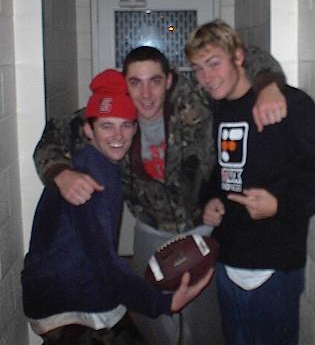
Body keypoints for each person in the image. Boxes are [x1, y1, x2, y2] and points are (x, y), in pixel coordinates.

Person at [33, 46, 287, 344]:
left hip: (205, 231)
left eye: (155, 81)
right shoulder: (112, 113)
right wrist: (61, 174)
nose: (146, 94)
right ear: (125, 83)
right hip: (150, 234)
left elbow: (243, 56)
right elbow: (51, 137)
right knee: (154, 324)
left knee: (207, 326)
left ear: (169, 80)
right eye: (135, 82)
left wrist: (268, 86)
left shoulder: (195, 99)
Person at [21, 69, 213, 345]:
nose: (118, 136)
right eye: (106, 126)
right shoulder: (89, 178)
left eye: (126, 125)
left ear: (135, 128)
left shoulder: (101, 164)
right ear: (88, 130)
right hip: (64, 301)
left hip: (85, 286)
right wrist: (162, 303)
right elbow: (105, 262)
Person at [185, 20, 315, 345]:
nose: (206, 77)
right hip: (227, 260)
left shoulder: (289, 104)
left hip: (275, 263)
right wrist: (208, 203)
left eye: (213, 63)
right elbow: (219, 174)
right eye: (198, 69)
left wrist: (279, 205)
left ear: (239, 57)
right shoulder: (214, 111)